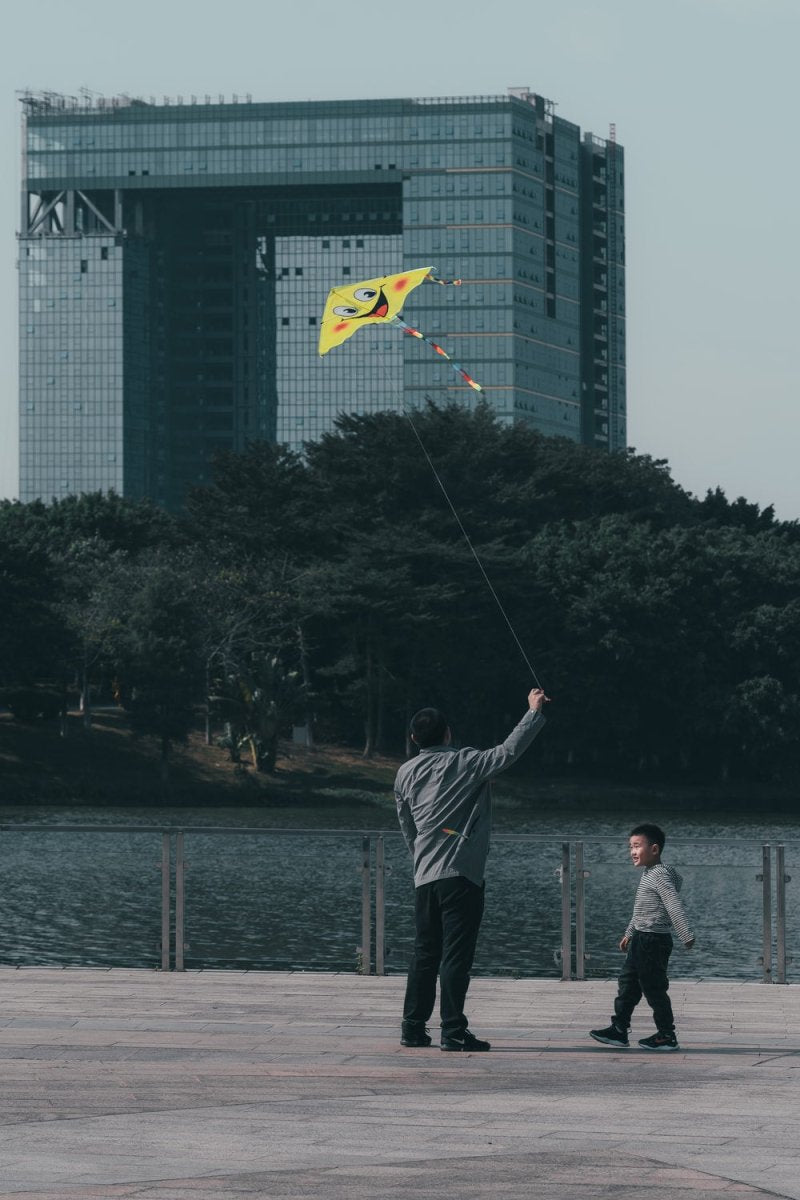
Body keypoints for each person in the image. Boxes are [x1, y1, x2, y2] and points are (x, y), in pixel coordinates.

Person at [395, 689, 548, 1051]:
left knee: (424, 953)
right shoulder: (467, 762)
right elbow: (509, 751)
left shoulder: (404, 773)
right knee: (456, 955)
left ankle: (412, 1028)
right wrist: (533, 711)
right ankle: (453, 1031)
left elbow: (407, 826)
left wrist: (421, 859)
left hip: (424, 877)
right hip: (461, 876)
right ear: (448, 733)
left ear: (414, 738)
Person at [590, 823, 695, 1052]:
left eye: (637, 846)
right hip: (640, 938)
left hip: (653, 941)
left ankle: (667, 1035)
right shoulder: (649, 873)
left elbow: (673, 904)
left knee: (654, 988)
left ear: (654, 849)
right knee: (628, 984)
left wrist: (685, 933)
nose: (632, 852)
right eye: (630, 847)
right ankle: (619, 1029)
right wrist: (629, 933)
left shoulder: (659, 875)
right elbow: (641, 911)